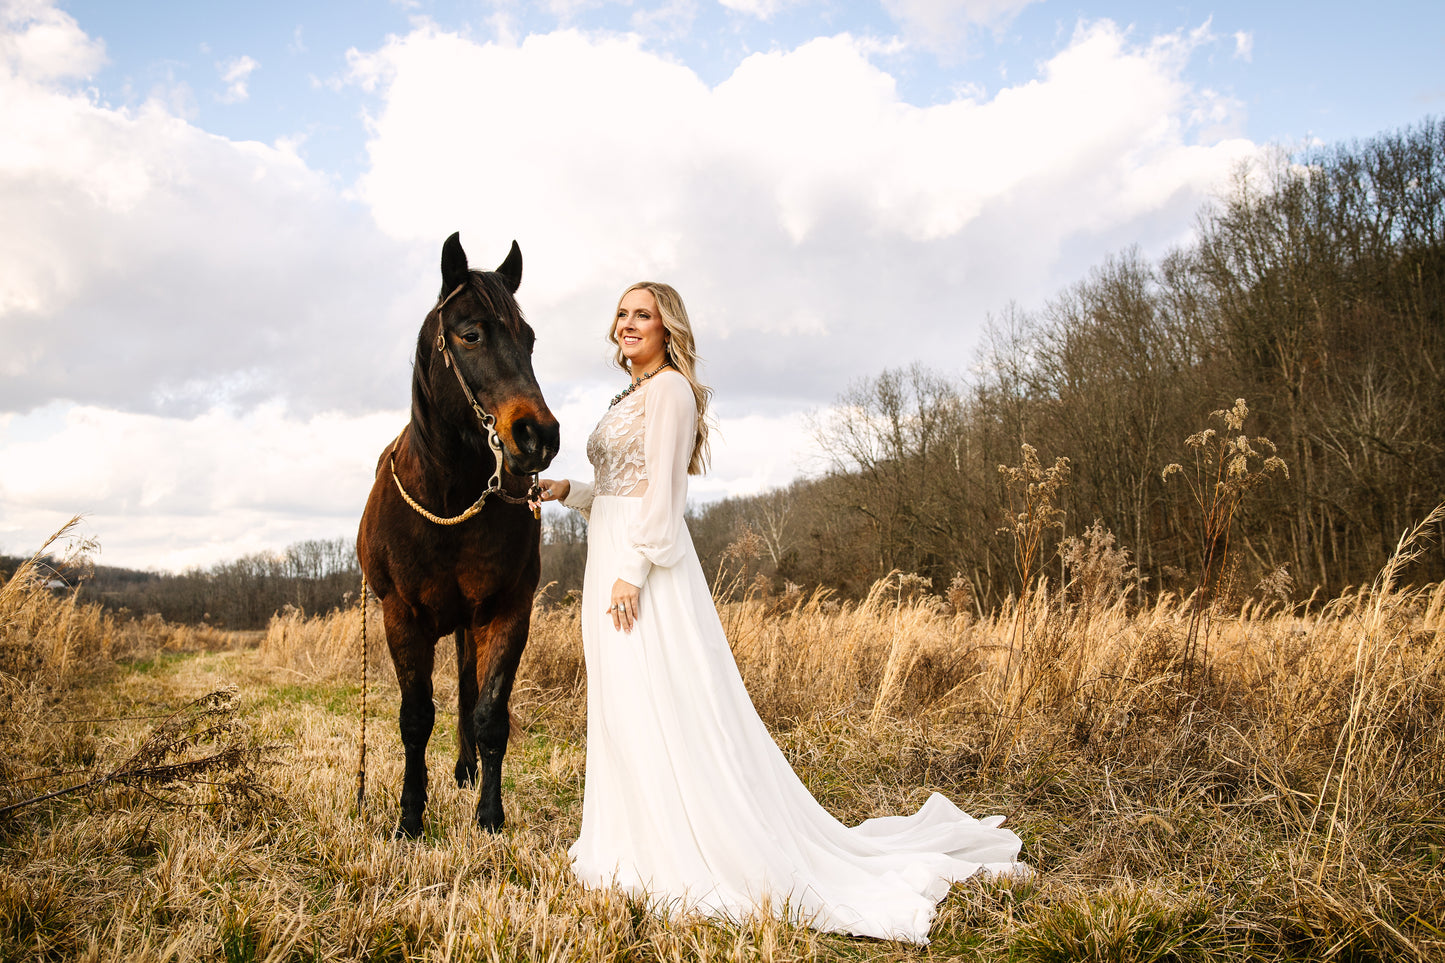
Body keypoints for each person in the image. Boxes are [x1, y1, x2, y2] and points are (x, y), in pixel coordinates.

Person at [535, 282, 1026, 943]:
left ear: (667, 327)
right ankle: (633, 837)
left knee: (663, 696)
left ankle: (685, 844)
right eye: (622, 313)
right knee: (624, 701)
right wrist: (570, 489)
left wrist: (634, 569)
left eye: (642, 314)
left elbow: (665, 494)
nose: (628, 323)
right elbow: (624, 487)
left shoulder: (671, 390)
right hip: (612, 555)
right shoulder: (629, 395)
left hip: (641, 567)